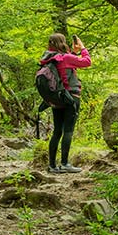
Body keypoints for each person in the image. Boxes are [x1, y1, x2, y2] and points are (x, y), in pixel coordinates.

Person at [40, 32, 91, 173]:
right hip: (71, 97)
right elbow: (87, 61)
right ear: (62, 42)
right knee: (68, 130)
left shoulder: (48, 58)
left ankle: (52, 166)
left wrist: (73, 52)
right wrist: (82, 48)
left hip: (57, 98)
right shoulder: (66, 58)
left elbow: (66, 63)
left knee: (57, 131)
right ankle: (65, 163)